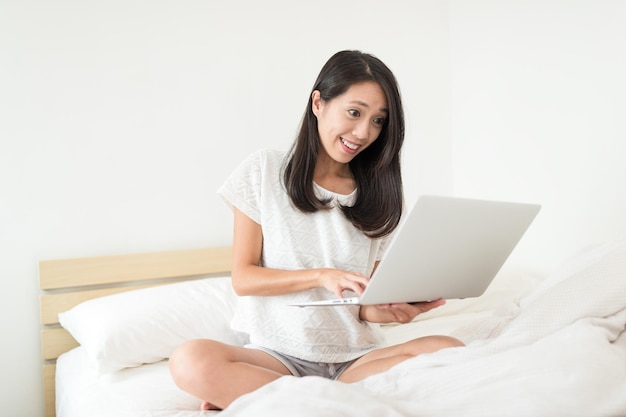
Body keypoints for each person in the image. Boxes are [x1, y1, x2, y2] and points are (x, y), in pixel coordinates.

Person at [169, 50, 464, 410]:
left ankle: (284, 404)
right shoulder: (264, 171)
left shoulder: (379, 196)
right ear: (318, 102)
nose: (363, 132)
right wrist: (321, 276)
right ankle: (326, 403)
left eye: (378, 121)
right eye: (354, 112)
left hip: (355, 360)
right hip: (278, 359)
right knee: (189, 361)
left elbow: (362, 306)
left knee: (448, 349)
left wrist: (391, 310)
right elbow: (244, 278)